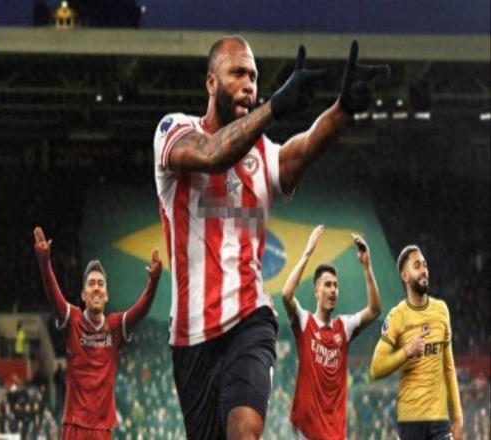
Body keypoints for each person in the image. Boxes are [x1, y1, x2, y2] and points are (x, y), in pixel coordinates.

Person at [153, 35, 389, 439]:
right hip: (190, 339)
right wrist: (275, 106)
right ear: (211, 82)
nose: (249, 84)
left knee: (244, 431)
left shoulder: (264, 155)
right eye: (238, 73)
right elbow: (212, 154)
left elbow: (305, 147)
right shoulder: (174, 130)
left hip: (251, 321)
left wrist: (342, 110)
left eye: (254, 77)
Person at [33, 226, 162, 440]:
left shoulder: (115, 325)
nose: (96, 288)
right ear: (84, 295)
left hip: (102, 430)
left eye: (100, 284)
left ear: (106, 295)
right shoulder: (73, 319)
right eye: (91, 284)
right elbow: (54, 298)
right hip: (74, 426)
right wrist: (44, 263)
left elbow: (141, 311)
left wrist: (154, 283)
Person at [281, 225, 382, 439]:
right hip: (307, 431)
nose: (333, 290)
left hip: (335, 432)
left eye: (336, 285)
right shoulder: (304, 322)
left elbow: (374, 310)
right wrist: (307, 253)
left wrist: (366, 266)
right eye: (327, 285)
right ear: (316, 291)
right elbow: (287, 295)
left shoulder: (343, 327)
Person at [370, 245, 463, 440]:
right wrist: (406, 351)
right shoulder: (397, 316)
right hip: (410, 421)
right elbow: (376, 368)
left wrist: (457, 415)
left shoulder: (441, 310)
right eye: (417, 266)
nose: (424, 270)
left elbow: (448, 367)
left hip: (440, 421)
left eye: (425, 265)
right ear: (405, 276)